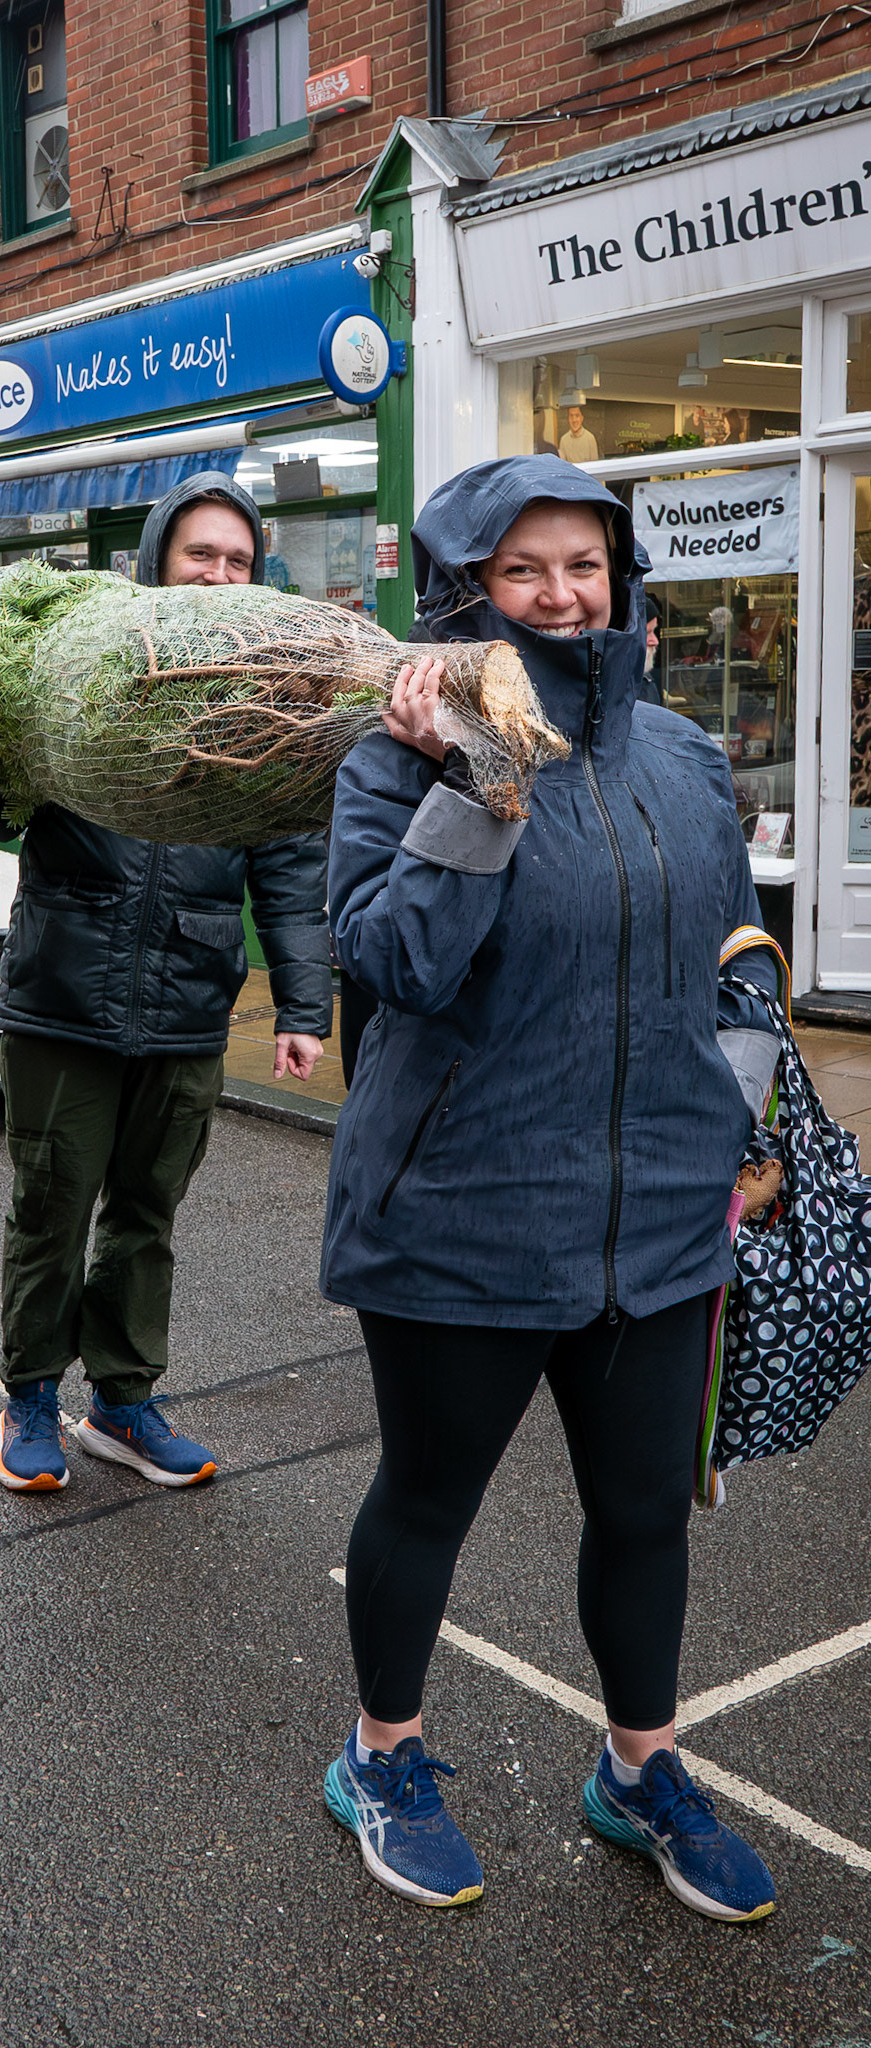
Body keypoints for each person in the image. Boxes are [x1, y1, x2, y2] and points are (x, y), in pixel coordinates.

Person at [319, 456, 781, 1922]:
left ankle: (638, 1770)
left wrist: (745, 1130)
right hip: (463, 1210)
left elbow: (738, 959)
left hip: (658, 1227)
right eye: (525, 571)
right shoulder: (396, 759)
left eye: (584, 564)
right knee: (428, 1501)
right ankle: (380, 1754)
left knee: (646, 1513)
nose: (563, 593)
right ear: (467, 593)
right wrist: (487, 775)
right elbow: (393, 966)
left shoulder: (688, 758)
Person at [0, 472, 332, 1493]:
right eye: (203, 553)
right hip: (66, 992)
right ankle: (28, 1396)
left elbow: (288, 865)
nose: (221, 574)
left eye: (239, 560)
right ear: (157, 561)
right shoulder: (82, 668)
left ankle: (121, 1399)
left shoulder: (262, 698)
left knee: (147, 1215)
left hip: (191, 1000)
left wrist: (303, 1005)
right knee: (53, 1207)